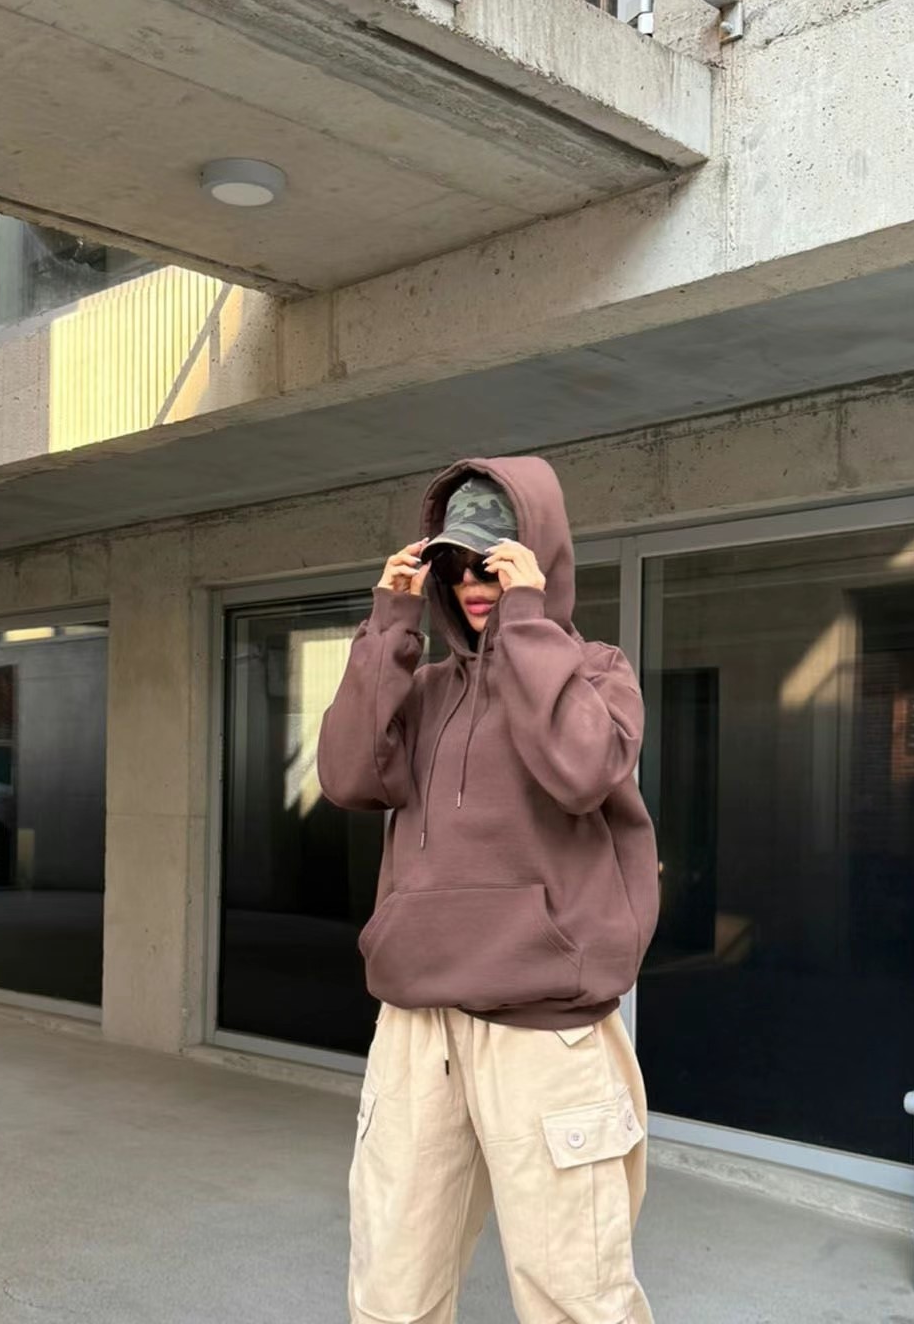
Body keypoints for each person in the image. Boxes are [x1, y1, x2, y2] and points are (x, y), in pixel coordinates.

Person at [318, 455, 660, 1324]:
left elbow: (581, 770)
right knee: (392, 1286)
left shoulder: (597, 671)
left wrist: (529, 623)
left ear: (538, 562)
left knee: (575, 1294)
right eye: (455, 567)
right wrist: (389, 625)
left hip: (542, 1029)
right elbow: (348, 777)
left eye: (494, 563)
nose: (473, 584)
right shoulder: (426, 690)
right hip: (416, 1026)